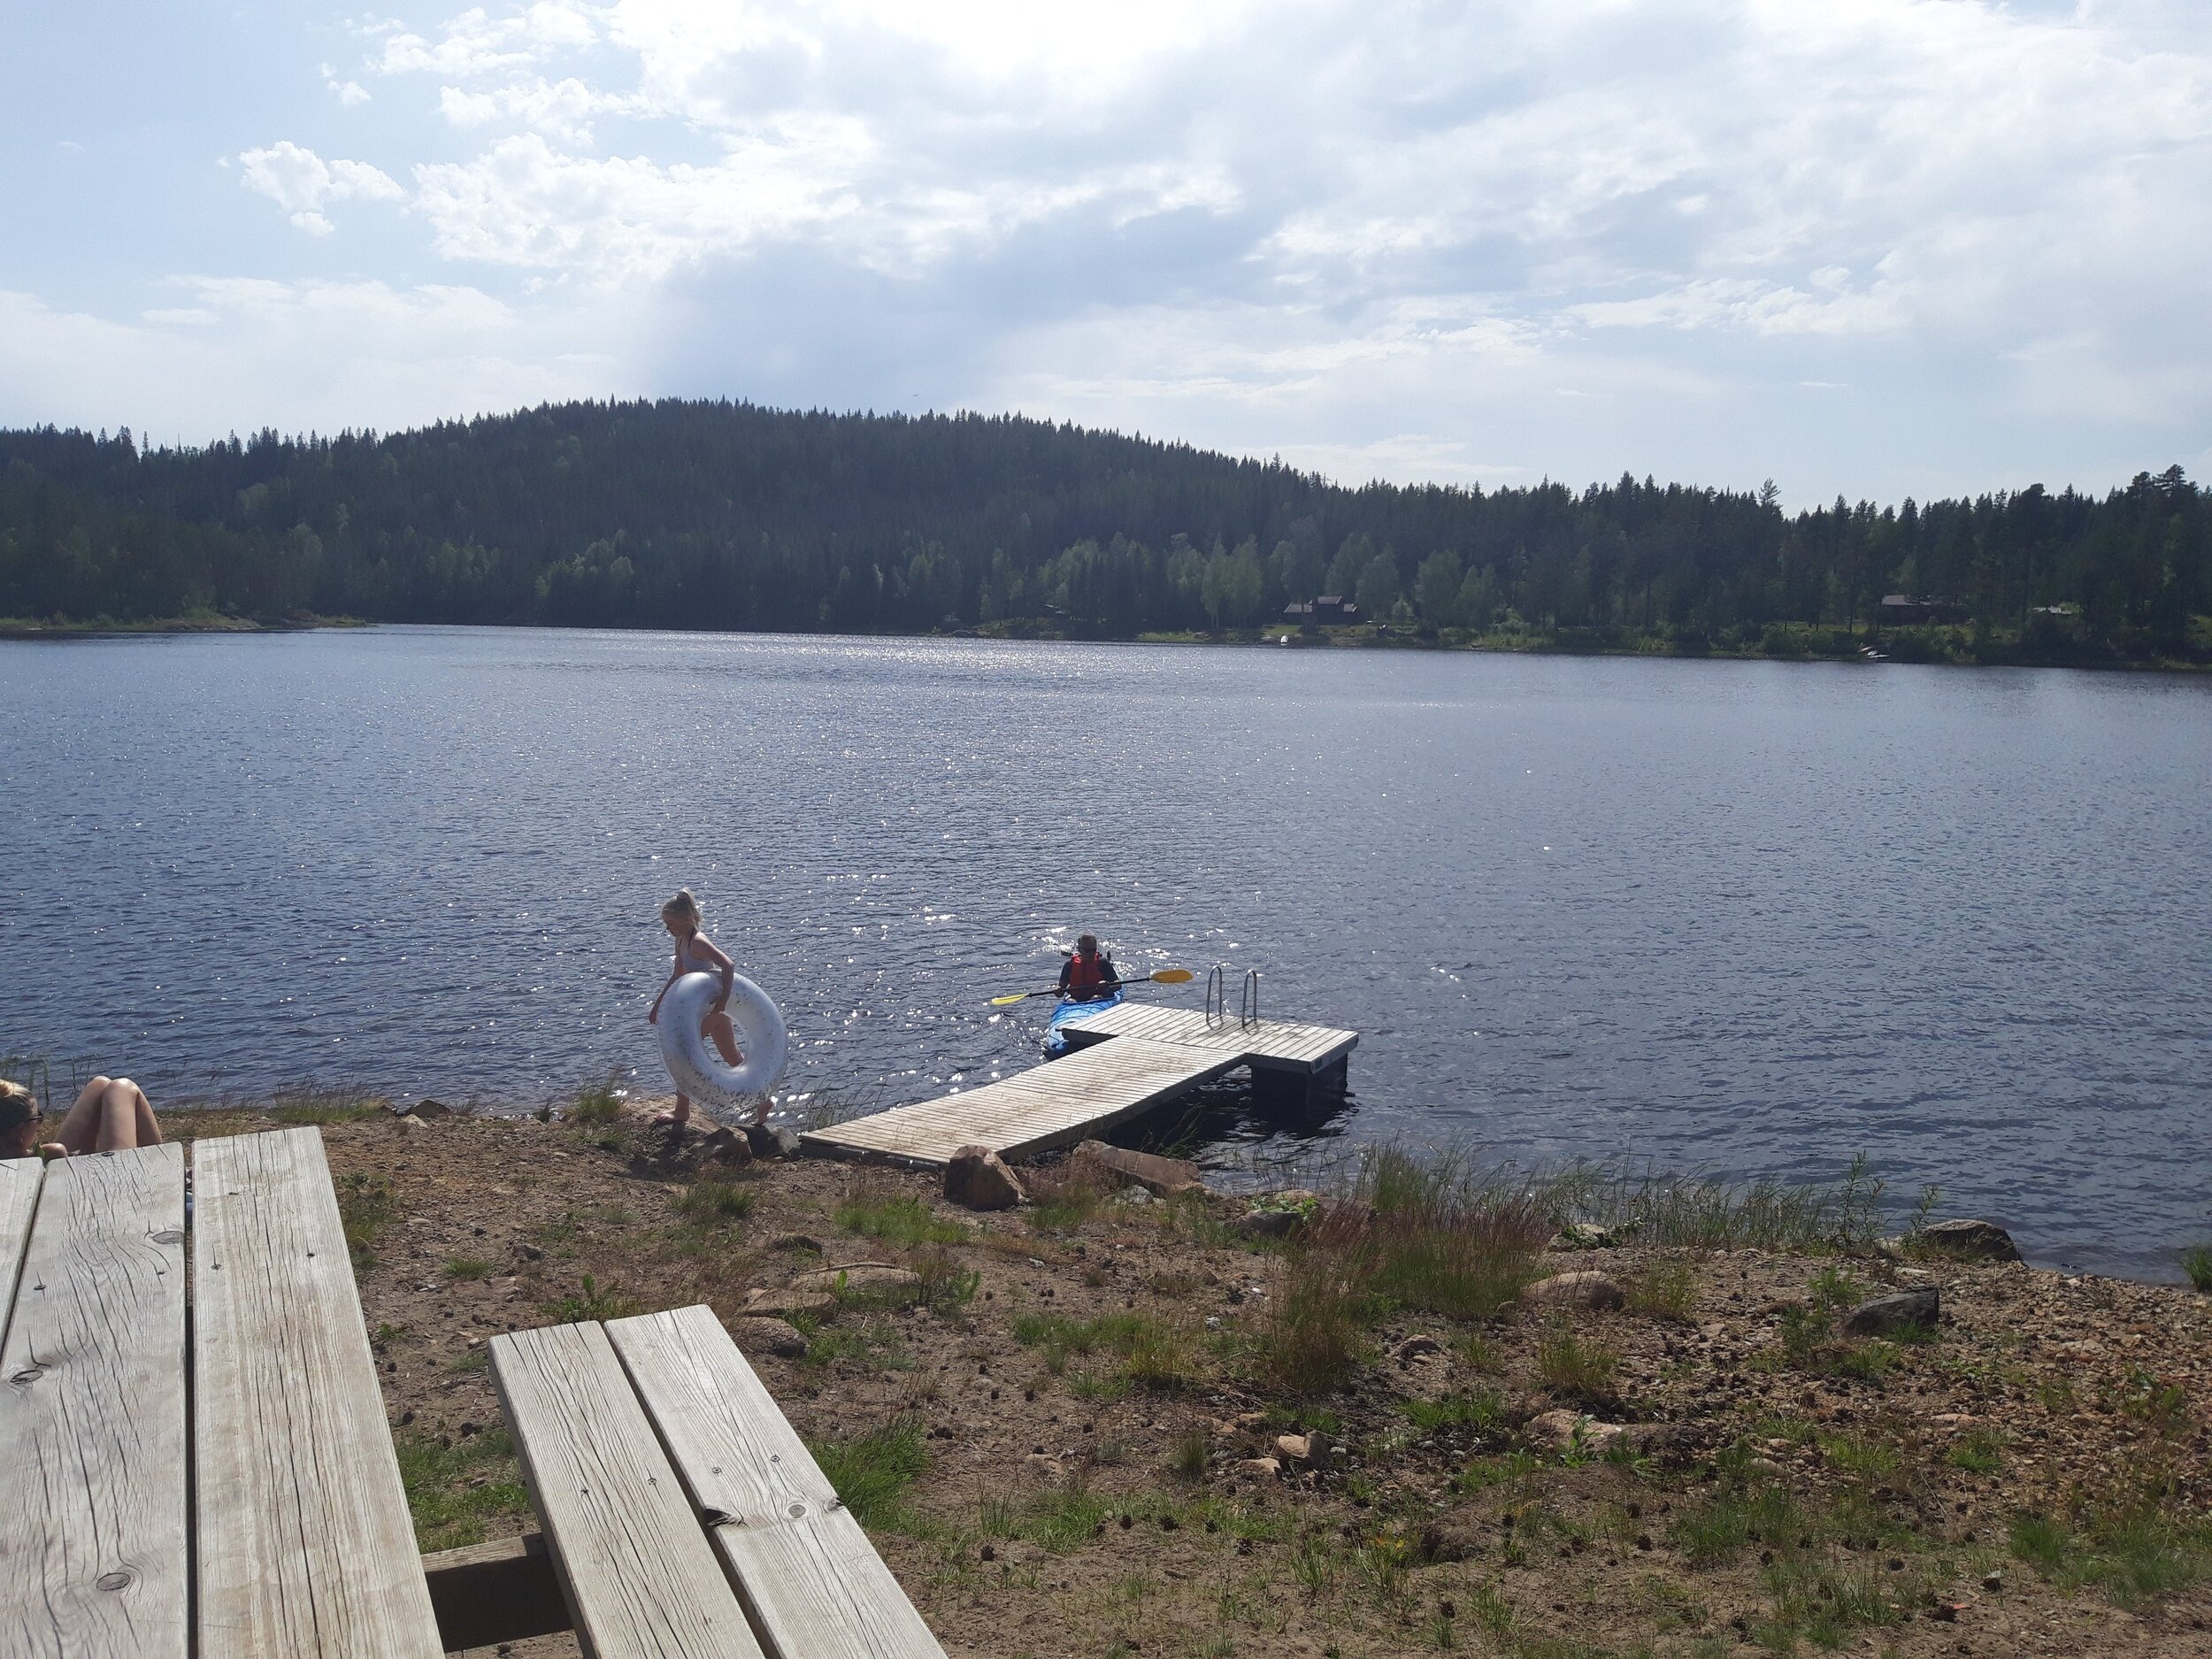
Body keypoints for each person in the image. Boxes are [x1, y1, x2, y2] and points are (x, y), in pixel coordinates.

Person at [645, 887, 758, 1128]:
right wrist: (658, 1004)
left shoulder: (698, 942)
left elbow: (728, 965)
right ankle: (764, 1102)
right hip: (701, 1012)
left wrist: (723, 1001)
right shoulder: (681, 940)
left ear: (686, 920)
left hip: (710, 1011)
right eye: (666, 924)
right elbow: (677, 974)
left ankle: (682, 1110)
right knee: (735, 1061)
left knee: (683, 1052)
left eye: (670, 923)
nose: (667, 929)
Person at [0, 1074, 164, 1160]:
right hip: (111, 1186)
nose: (40, 1123)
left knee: (100, 1084)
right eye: (38, 1118)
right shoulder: (52, 1153)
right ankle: (160, 1172)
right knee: (123, 1087)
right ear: (21, 1130)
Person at [1058, 933, 1121, 1002]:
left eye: (1093, 950)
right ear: (1079, 950)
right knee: (1070, 1001)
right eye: (1087, 950)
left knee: (1095, 998)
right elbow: (1060, 991)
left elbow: (1118, 985)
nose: (1091, 954)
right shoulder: (1069, 965)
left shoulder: (1103, 963)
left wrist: (1108, 985)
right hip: (1076, 999)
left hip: (1099, 996)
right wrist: (1057, 989)